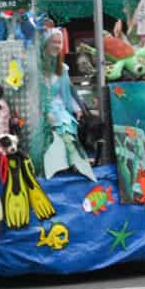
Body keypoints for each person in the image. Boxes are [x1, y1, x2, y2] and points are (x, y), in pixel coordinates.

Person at [41, 27, 95, 179]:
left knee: (67, 135)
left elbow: (66, 93)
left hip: (59, 110)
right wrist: (45, 111)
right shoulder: (38, 69)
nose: (57, 45)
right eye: (54, 42)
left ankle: (74, 164)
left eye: (60, 42)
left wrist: (76, 108)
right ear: (45, 43)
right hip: (41, 111)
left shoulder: (62, 69)